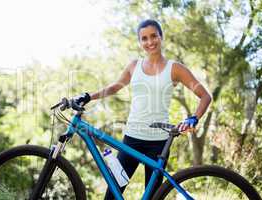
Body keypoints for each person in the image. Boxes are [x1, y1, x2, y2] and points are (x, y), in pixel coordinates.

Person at [73, 19, 212, 199]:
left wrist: (193, 118)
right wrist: (88, 96)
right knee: (112, 194)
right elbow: (115, 87)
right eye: (144, 38)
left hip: (158, 142)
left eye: (154, 36)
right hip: (131, 139)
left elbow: (205, 96)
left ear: (161, 37)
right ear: (140, 43)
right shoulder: (134, 66)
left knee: (153, 197)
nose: (150, 42)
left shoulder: (175, 69)